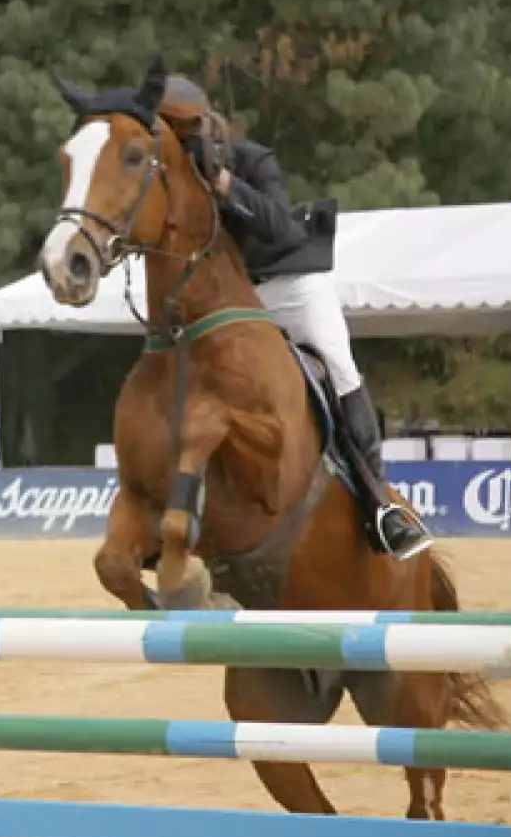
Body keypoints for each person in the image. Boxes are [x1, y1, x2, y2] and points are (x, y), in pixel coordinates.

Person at [168, 75, 433, 561]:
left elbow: (277, 224)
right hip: (229, 303)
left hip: (289, 287)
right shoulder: (169, 178)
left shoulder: (252, 160)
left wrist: (224, 185)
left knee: (339, 364)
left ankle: (380, 504)